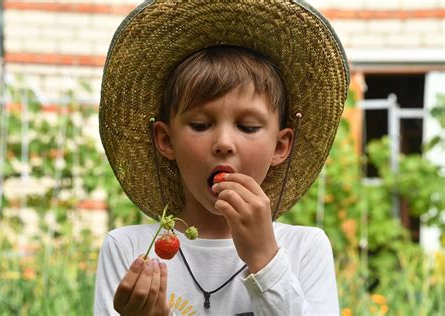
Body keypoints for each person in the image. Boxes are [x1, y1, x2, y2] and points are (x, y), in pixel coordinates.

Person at [95, 0, 349, 315]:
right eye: (201, 125)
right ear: (165, 139)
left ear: (281, 146)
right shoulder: (132, 253)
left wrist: (265, 259)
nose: (224, 143)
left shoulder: (304, 249)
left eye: (248, 126)